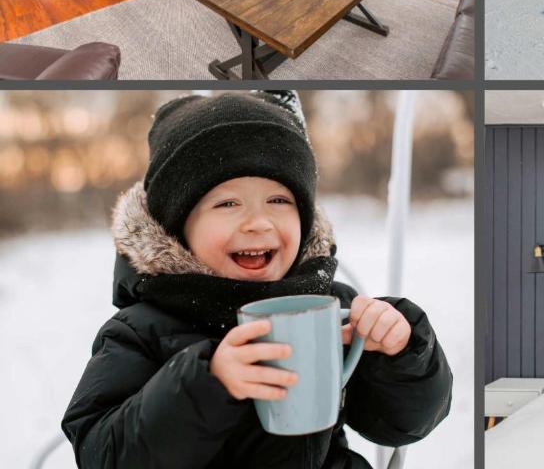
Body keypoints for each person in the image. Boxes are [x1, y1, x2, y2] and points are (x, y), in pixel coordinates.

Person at [62, 91, 452, 468]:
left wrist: (403, 351)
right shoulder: (143, 329)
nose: (259, 222)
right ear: (179, 225)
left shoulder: (328, 305)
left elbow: (404, 422)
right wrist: (207, 383)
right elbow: (102, 453)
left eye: (279, 201)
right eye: (228, 203)